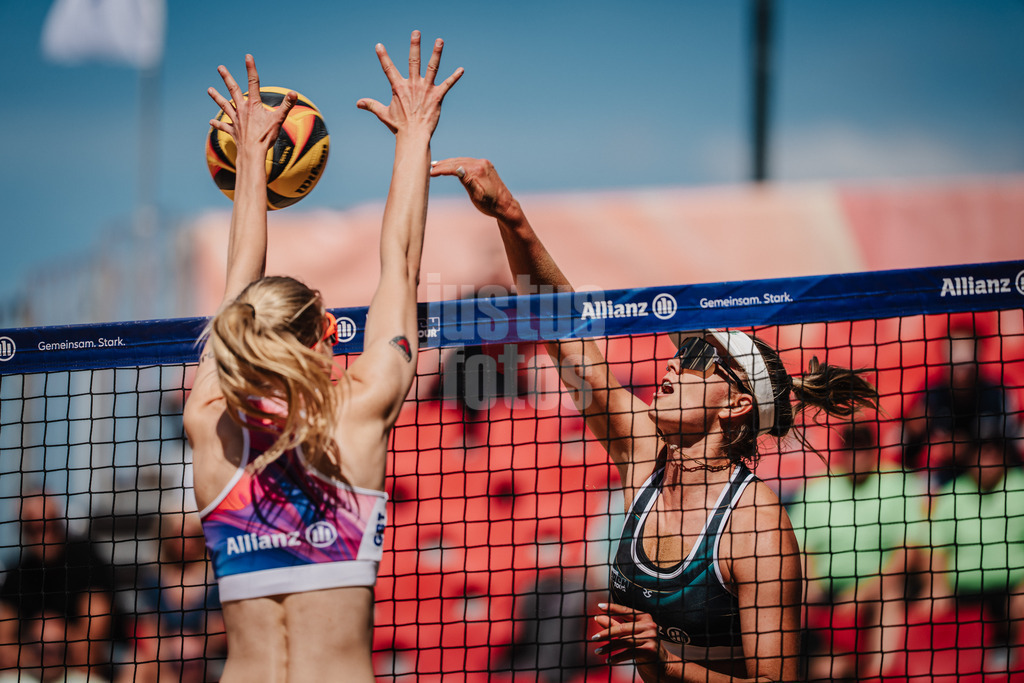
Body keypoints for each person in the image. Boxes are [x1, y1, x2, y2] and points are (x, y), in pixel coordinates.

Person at [430, 158, 879, 682]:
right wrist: (512, 217)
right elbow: (563, 333)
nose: (672, 363)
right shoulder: (644, 449)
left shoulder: (758, 526)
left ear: (736, 405)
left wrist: (664, 660)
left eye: (695, 361)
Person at [182, 33, 461, 682]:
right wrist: (415, 132)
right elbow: (402, 262)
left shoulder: (211, 424)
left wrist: (250, 159)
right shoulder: (358, 413)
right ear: (331, 332)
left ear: (237, 339)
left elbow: (235, 287)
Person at [786, 421, 931, 680]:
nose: (857, 455)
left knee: (890, 595)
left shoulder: (899, 483)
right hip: (828, 591)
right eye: (851, 447)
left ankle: (879, 675)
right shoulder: (818, 489)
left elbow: (908, 552)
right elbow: (801, 550)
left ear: (874, 450)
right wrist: (810, 586)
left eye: (863, 448)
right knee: (827, 669)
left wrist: (861, 594)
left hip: (880, 588)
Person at [0, 491, 126, 682]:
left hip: (95, 669)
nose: (45, 534)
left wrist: (54, 637)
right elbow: (3, 648)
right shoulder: (17, 575)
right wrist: (43, 651)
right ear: (23, 530)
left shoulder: (86, 561)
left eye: (50, 524)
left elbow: (90, 648)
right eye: (34, 528)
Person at [929, 433, 1024, 673]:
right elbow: (937, 548)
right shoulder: (952, 493)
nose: (987, 459)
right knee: (929, 608)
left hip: (1012, 588)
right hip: (964, 590)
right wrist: (938, 586)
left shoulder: (1020, 488)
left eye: (993, 452)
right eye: (981, 452)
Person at [132, 509, 226, 682]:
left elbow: (216, 628)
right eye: (178, 535)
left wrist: (196, 649)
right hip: (164, 658)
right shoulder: (153, 579)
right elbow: (150, 629)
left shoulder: (214, 578)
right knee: (136, 667)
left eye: (191, 536)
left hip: (204, 658)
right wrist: (169, 652)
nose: (185, 542)